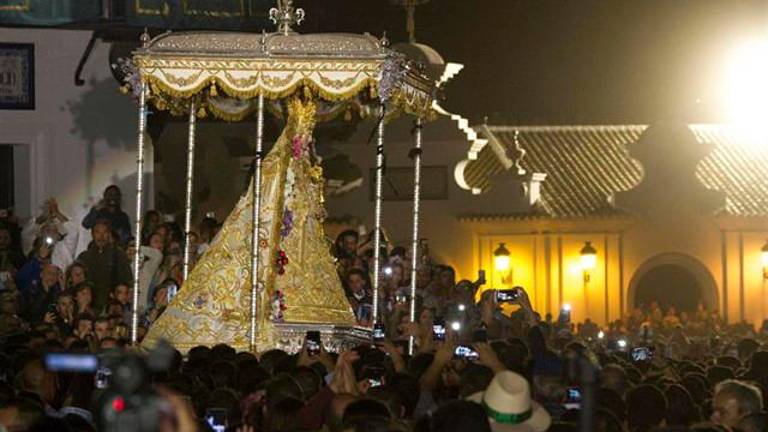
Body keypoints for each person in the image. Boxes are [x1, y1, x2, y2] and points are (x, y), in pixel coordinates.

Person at [76, 221, 132, 312]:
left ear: (109, 234)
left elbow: (127, 280)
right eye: (98, 232)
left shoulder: (119, 255)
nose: (101, 236)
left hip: (113, 306)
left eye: (104, 232)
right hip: (89, 306)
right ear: (92, 234)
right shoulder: (84, 257)